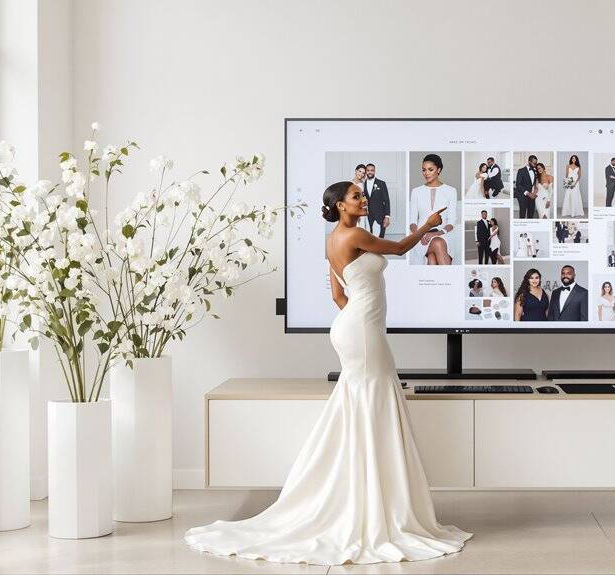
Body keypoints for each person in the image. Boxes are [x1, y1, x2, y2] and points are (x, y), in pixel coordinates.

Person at [186, 181, 471, 564]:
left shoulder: (332, 240)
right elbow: (401, 249)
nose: (363, 199)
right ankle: (374, 507)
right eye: (356, 196)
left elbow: (337, 295)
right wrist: (428, 225)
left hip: (352, 327)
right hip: (362, 331)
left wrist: (357, 320)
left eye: (362, 195)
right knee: (375, 403)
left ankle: (363, 498)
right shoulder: (353, 235)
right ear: (339, 205)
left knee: (362, 407)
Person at [408, 154, 458, 265]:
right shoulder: (416, 191)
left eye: (430, 169)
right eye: (424, 170)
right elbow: (412, 222)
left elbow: (452, 221)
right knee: (437, 244)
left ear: (438, 170)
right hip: (420, 235)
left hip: (443, 234)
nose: (426, 173)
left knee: (432, 258)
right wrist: (419, 235)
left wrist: (438, 233)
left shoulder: (451, 191)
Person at [364, 163, 390, 238]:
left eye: (372, 170)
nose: (370, 172)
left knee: (381, 237)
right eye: (368, 170)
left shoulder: (381, 183)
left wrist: (387, 216)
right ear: (366, 171)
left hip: (380, 214)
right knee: (369, 236)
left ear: (375, 171)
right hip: (367, 214)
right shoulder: (363, 183)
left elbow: (387, 200)